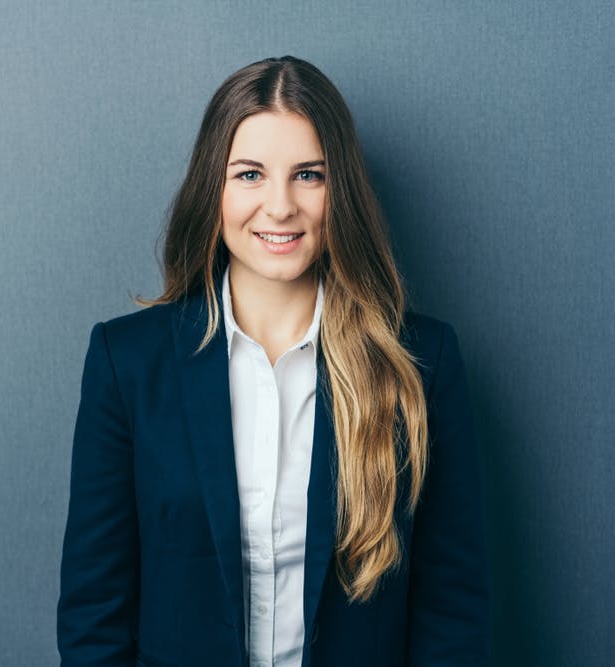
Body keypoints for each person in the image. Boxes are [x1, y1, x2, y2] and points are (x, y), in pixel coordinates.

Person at [57, 56, 489, 667]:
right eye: (251, 174)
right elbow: (93, 616)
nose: (280, 206)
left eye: (309, 174)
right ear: (216, 187)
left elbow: (452, 613)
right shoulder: (127, 363)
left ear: (341, 191)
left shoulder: (420, 364)